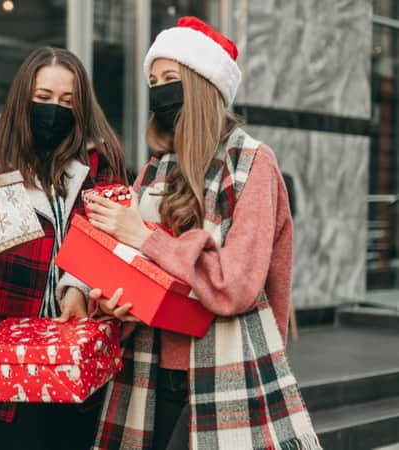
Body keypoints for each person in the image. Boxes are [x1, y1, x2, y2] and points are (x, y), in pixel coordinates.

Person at [68, 17, 321, 450]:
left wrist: (144, 236)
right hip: (147, 375)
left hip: (228, 375)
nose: (160, 90)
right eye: (153, 80)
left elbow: (236, 284)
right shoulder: (154, 169)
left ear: (204, 85)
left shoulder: (252, 163)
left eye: (172, 78)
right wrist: (110, 302)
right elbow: (129, 267)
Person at [0, 46, 128, 450]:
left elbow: (109, 238)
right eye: (44, 98)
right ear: (23, 99)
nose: (55, 109)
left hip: (80, 348)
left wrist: (76, 287)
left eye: (67, 101)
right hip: (8, 352)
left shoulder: (99, 162)